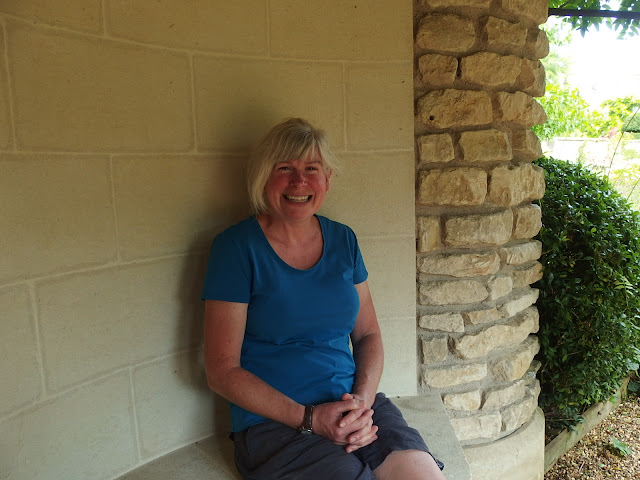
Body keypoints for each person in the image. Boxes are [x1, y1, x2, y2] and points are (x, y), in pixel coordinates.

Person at [202, 118, 446, 479]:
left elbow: (368, 335)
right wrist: (311, 419)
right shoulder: (236, 248)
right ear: (262, 178)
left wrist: (362, 403)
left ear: (327, 179)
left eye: (311, 169)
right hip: (273, 421)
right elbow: (222, 371)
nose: (299, 181)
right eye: (284, 168)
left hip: (352, 406)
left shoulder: (343, 240)